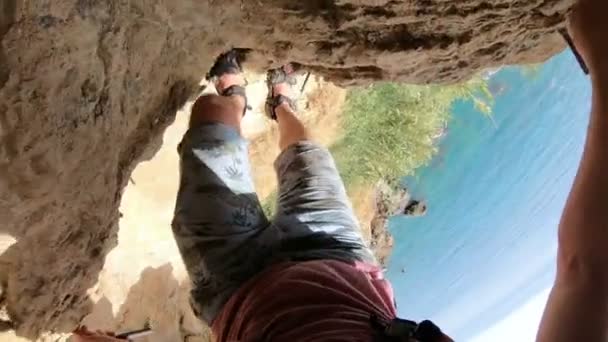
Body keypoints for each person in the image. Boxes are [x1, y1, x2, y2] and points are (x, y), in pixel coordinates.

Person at [72, 0, 604, 340]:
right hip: (338, 260)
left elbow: (586, 275)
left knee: (210, 125)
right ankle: (281, 102)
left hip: (234, 287)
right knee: (307, 155)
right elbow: (583, 275)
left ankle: (233, 95)